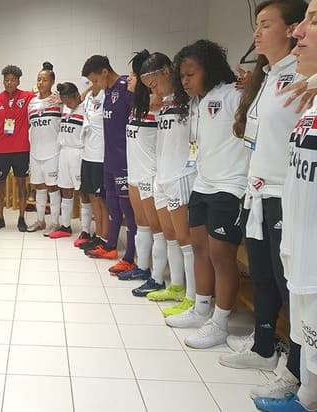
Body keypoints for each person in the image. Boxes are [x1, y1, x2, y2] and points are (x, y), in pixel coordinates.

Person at [218, 0, 306, 402]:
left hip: (286, 195)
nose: (257, 33)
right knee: (264, 274)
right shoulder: (269, 76)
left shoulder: (303, 78)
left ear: (292, 29)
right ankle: (265, 345)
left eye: (266, 24)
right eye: (256, 24)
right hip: (259, 191)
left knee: (292, 286)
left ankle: (297, 371)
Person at [166, 40, 250, 350]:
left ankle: (220, 322)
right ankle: (201, 308)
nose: (185, 81)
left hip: (230, 186)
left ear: (210, 69)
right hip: (203, 183)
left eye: (191, 74)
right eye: (182, 76)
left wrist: (256, 84)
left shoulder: (234, 94)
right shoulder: (199, 102)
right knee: (199, 246)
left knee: (221, 256)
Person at [254, 1, 317, 410]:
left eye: (313, 21)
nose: (299, 33)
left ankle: (300, 384)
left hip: (286, 206)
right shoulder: (291, 86)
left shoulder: (298, 79)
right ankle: (302, 386)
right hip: (277, 204)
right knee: (287, 292)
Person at [137, 52, 197, 317]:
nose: (154, 90)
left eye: (155, 84)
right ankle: (175, 286)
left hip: (181, 175)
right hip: (161, 174)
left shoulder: (190, 99)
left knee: (186, 239)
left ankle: (194, 297)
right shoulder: (164, 102)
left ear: (167, 71)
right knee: (170, 234)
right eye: (149, 87)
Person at [122, 50, 169, 298]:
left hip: (151, 174)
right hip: (134, 172)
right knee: (142, 225)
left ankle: (158, 278)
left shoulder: (157, 103)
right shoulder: (137, 106)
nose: (128, 79)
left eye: (132, 75)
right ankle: (142, 267)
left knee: (157, 228)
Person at [90, 58, 137, 276]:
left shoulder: (127, 86)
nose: (95, 84)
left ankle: (130, 258)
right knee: (112, 205)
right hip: (109, 159)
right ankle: (110, 247)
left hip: (125, 161)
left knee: (128, 209)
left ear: (105, 72)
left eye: (96, 79)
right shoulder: (107, 91)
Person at [0, 65, 36, 232]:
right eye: (7, 80)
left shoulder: (28, 97)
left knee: (22, 184)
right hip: (1, 149)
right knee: (0, 185)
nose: (9, 83)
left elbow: (43, 96)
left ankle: (22, 218)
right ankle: (0, 218)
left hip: (22, 149)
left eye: (13, 80)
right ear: (3, 81)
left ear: (18, 81)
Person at [76, 56, 110, 254]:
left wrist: (97, 88)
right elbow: (80, 98)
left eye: (95, 80)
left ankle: (104, 238)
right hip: (87, 155)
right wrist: (89, 89)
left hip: (100, 157)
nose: (92, 84)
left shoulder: (107, 96)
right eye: (89, 81)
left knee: (101, 200)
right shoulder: (89, 97)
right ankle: (97, 235)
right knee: (90, 196)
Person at [26, 62, 62, 235]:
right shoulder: (31, 103)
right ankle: (40, 221)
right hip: (35, 153)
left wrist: (63, 99)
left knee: (53, 188)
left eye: (44, 80)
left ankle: (55, 222)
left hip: (53, 152)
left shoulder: (58, 101)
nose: (41, 83)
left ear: (52, 82)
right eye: (39, 79)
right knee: (39, 187)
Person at [47, 82, 86, 239]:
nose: (68, 105)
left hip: (78, 153)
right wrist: (63, 102)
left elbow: (88, 93)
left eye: (70, 102)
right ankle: (65, 226)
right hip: (64, 152)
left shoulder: (85, 108)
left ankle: (85, 231)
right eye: (65, 102)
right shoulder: (65, 106)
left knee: (83, 192)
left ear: (77, 96)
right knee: (65, 190)